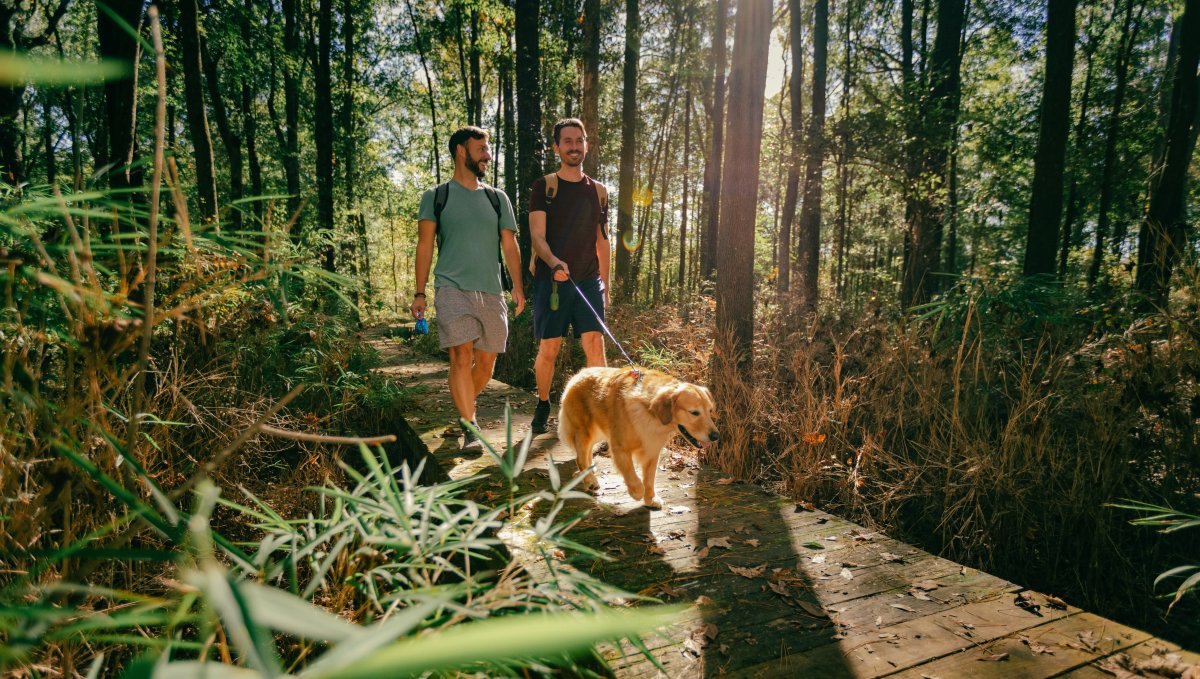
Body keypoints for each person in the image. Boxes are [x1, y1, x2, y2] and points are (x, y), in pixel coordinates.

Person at [411, 126, 525, 450]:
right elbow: (425, 245)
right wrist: (420, 293)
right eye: (481, 149)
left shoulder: (496, 198)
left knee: (486, 363)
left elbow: (510, 244)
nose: (488, 155)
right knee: (461, 356)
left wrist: (517, 286)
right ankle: (471, 427)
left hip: (491, 290)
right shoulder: (436, 196)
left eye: (488, 149)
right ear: (462, 151)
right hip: (452, 287)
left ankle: (462, 413)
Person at [528, 118, 610, 435]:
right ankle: (543, 401)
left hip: (589, 282)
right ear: (557, 147)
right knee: (549, 349)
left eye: (579, 140)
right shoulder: (545, 187)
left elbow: (602, 241)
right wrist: (554, 262)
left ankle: (597, 417)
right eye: (567, 141)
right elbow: (537, 237)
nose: (574, 146)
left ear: (586, 144)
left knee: (595, 347)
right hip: (553, 283)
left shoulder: (599, 192)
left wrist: (605, 286)